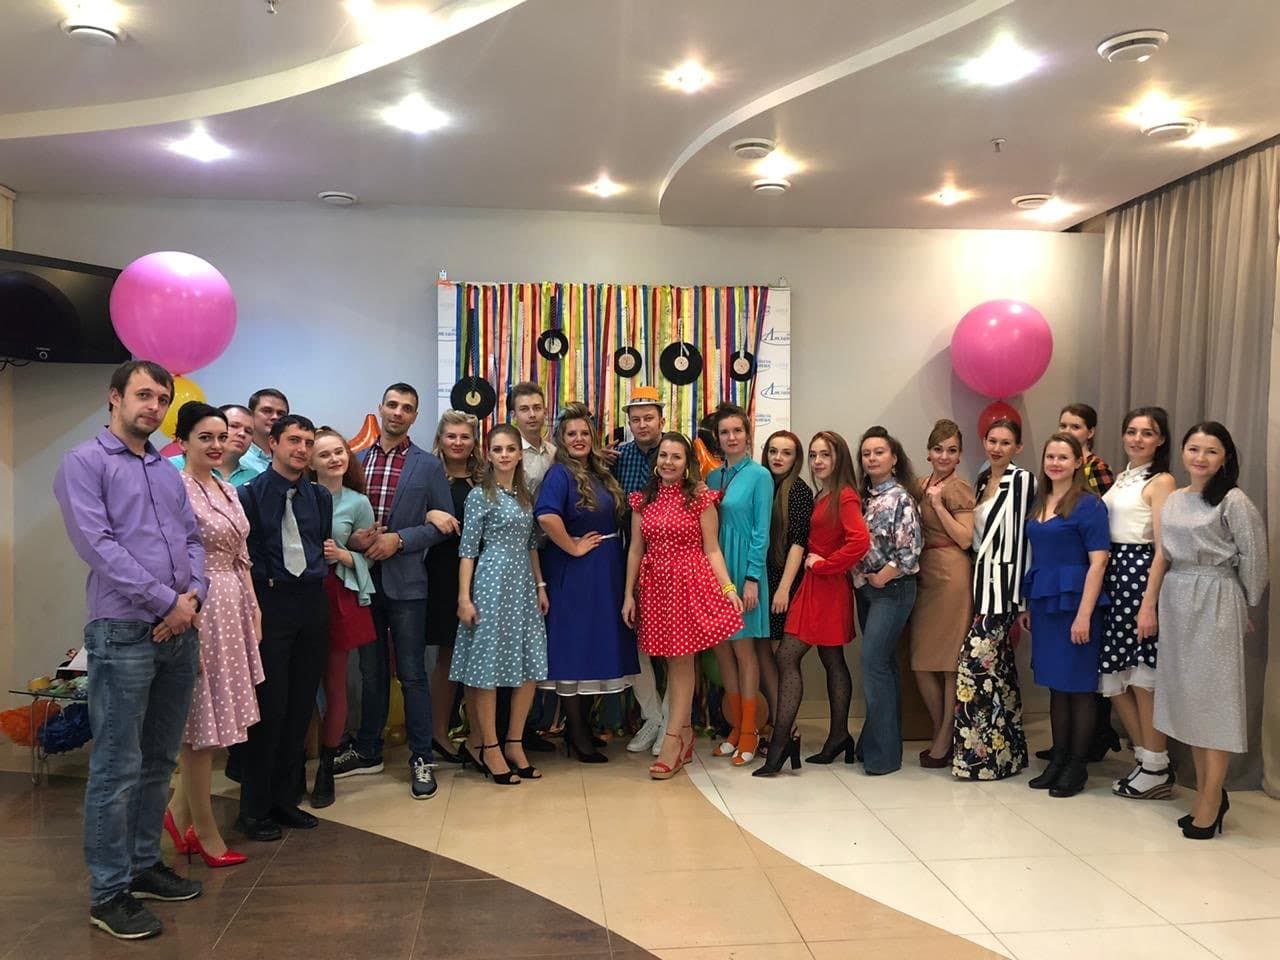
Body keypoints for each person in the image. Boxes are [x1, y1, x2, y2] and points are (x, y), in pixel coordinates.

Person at [53, 360, 206, 940]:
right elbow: (98, 545)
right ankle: (109, 892)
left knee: (158, 760)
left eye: (161, 397)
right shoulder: (84, 463)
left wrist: (191, 597)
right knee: (117, 768)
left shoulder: (166, 471)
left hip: (178, 630)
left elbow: (191, 539)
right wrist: (166, 601)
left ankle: (143, 866)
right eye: (143, 394)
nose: (154, 405)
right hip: (122, 633)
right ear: (114, 398)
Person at [335, 383, 457, 800]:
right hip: (364, 582)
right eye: (392, 405)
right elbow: (340, 518)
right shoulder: (355, 461)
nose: (398, 412)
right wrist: (355, 540)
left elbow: (444, 525)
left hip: (408, 585)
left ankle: (421, 756)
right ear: (380, 408)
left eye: (407, 408)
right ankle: (369, 748)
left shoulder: (428, 466)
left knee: (412, 673)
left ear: (415, 417)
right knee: (370, 671)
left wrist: (400, 540)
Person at [1154, 422, 1268, 839]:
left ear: (1225, 458)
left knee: (1214, 703)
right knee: (1190, 702)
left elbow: (1255, 557)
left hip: (1217, 597)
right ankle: (1209, 794)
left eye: (1211, 451)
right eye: (1194, 449)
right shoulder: (1175, 500)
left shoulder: (1234, 501)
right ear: (1183, 452)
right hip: (1178, 595)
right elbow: (1164, 554)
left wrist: (1246, 603)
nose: (1200, 457)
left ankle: (1209, 801)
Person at [164, 403, 261, 870]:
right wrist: (187, 614)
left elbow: (241, 552)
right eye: (205, 437)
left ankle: (176, 814)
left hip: (233, 603)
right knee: (201, 728)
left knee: (218, 722)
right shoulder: (174, 486)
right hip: (200, 605)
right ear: (182, 441)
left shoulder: (225, 486)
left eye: (222, 436)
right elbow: (171, 555)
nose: (217, 445)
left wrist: (254, 606)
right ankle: (204, 831)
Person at [623, 433, 744, 779]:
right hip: (656, 588)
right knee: (673, 662)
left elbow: (712, 549)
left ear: (687, 462)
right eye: (663, 455)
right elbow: (635, 549)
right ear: (656, 459)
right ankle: (686, 733)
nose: (668, 462)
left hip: (690, 586)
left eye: (676, 457)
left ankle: (673, 740)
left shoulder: (700, 498)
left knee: (680, 663)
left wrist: (728, 587)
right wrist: (629, 594)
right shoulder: (642, 499)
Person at [235, 414, 332, 840]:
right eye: (294, 440)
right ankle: (254, 808)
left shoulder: (317, 496)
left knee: (299, 707)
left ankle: (284, 799)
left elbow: (319, 546)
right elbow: (247, 560)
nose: (302, 449)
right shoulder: (250, 495)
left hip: (311, 601)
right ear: (272, 443)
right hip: (269, 602)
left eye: (308, 442)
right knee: (269, 707)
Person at [754, 431, 870, 777]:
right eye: (815, 455)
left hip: (826, 587)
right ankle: (838, 736)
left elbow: (860, 542)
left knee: (787, 656)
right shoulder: (825, 493)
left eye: (826, 455)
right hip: (816, 587)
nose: (819, 461)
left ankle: (780, 745)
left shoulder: (845, 496)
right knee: (832, 659)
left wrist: (825, 564)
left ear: (839, 459)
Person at [536, 403, 639, 762]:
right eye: (571, 434)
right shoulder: (560, 474)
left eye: (584, 433)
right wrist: (574, 547)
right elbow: (547, 517)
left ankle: (584, 728)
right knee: (573, 652)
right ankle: (575, 734)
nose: (578, 439)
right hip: (573, 574)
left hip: (604, 572)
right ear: (561, 440)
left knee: (593, 647)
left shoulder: (599, 472)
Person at [453, 425, 550, 785]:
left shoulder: (525, 495)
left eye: (511, 448)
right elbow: (467, 551)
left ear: (519, 454)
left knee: (529, 663)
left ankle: (514, 742)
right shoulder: (480, 495)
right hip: (491, 583)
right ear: (489, 454)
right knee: (488, 667)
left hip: (523, 584)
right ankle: (488, 746)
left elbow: (531, 546)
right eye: (498, 449)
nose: (506, 454)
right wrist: (464, 597)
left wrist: (540, 585)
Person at [1020, 432, 1111, 798]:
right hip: (1044, 604)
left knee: (1080, 688)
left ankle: (1077, 765)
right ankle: (1057, 759)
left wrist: (1084, 615)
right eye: (1050, 456)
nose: (1055, 463)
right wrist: (1028, 604)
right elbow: (1035, 556)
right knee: (1057, 686)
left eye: (1063, 457)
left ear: (1078, 463)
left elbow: (1099, 561)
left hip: (1076, 603)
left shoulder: (1089, 505)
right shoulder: (1040, 500)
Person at [1101, 408, 1177, 800]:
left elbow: (1163, 547)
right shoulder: (1120, 478)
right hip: (1115, 575)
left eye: (1147, 433)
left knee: (1143, 679)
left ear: (1161, 440)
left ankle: (1157, 764)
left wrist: (1149, 603)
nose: (1137, 438)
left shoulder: (1161, 480)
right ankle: (1147, 759)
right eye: (1131, 431)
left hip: (1140, 577)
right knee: (1117, 680)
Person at [953, 418, 1032, 781]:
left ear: (1017, 447)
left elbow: (1022, 539)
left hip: (1005, 587)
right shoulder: (982, 481)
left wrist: (1022, 598)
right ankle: (1008, 754)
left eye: (1005, 442)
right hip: (980, 584)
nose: (997, 447)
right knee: (1000, 671)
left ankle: (979, 759)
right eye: (992, 440)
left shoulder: (1023, 481)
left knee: (974, 665)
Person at [308, 427, 377, 808]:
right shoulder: (297, 496)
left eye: (340, 452)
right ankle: (290, 765)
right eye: (325, 454)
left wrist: (346, 557)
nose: (334, 459)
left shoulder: (357, 503)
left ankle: (327, 768)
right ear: (311, 462)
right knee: (297, 686)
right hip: (297, 596)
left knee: (335, 685)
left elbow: (367, 555)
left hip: (336, 595)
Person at [851, 426, 922, 776]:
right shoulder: (865, 498)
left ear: (894, 458)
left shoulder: (901, 498)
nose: (872, 458)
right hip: (866, 591)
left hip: (892, 590)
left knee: (873, 664)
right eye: (866, 453)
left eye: (879, 452)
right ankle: (877, 744)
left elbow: (910, 550)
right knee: (884, 668)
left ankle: (882, 756)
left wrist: (884, 575)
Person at [705, 403, 773, 766]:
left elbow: (762, 531)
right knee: (723, 652)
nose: (731, 437)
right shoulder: (712, 477)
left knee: (745, 652)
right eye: (725, 432)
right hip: (718, 572)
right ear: (717, 438)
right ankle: (734, 727)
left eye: (737, 431)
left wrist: (751, 579)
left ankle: (750, 729)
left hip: (745, 570)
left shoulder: (760, 475)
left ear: (748, 435)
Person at [908, 420, 975, 768]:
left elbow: (966, 539)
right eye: (938, 449)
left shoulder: (959, 487)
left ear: (960, 455)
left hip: (952, 572)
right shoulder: (920, 484)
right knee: (921, 662)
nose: (944, 456)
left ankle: (945, 736)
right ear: (928, 452)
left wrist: (938, 508)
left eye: (951, 450)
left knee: (949, 664)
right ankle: (943, 730)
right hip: (925, 573)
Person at [1057, 401, 1119, 764]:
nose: (1070, 430)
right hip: (1063, 580)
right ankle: (1068, 744)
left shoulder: (1096, 472)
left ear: (1090, 433)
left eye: (1076, 426)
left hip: (1092, 573)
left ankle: (1092, 741)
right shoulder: (1051, 485)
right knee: (1063, 675)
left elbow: (1099, 521)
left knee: (1085, 675)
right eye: (1064, 424)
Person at [610, 385, 671, 755]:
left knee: (675, 649)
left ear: (662, 420)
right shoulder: (620, 456)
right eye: (636, 419)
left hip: (673, 564)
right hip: (629, 558)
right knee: (635, 644)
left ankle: (673, 720)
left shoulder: (676, 452)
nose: (642, 424)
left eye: (649, 417)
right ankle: (654, 718)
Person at [425, 410, 483, 763]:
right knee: (448, 656)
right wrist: (428, 515)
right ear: (441, 439)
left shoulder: (484, 477)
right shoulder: (430, 476)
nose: (458, 443)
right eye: (452, 436)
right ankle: (437, 732)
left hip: (481, 575)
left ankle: (479, 735)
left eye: (465, 437)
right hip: (443, 574)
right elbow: (407, 514)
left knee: (476, 658)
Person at [761, 430, 812, 740]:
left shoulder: (799, 491)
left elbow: (798, 543)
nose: (778, 457)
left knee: (782, 658)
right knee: (766, 654)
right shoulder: (763, 485)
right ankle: (778, 724)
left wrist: (783, 589)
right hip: (763, 578)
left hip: (785, 583)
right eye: (773, 451)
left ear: (796, 459)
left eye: (786, 453)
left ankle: (787, 730)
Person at [167, 404, 261, 485]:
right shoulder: (171, 467)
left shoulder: (255, 478)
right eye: (234, 426)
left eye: (248, 431)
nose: (242, 434)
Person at [1058, 403, 1114, 497]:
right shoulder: (1055, 463)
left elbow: (1104, 505)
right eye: (1063, 426)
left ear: (1090, 432)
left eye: (1075, 427)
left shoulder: (1096, 467)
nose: (1067, 432)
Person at [511, 380, 556, 494]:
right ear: (514, 416)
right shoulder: (508, 454)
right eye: (524, 409)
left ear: (545, 412)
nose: (532, 415)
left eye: (537, 408)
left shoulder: (554, 452)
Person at [245, 388, 289, 475]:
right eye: (267, 411)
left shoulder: (292, 456)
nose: (275, 417)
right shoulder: (237, 456)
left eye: (280, 413)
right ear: (251, 414)